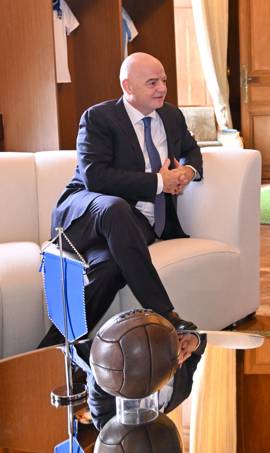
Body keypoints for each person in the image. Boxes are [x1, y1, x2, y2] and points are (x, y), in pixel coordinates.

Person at [38, 52, 202, 347]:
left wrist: (187, 172)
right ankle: (166, 314)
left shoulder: (171, 115)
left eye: (163, 80)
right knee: (115, 206)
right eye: (152, 83)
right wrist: (158, 183)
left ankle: (54, 348)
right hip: (85, 210)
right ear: (128, 87)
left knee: (113, 265)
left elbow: (192, 150)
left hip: (132, 222)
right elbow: (95, 178)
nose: (162, 88)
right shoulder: (99, 117)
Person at [69, 331, 207, 430]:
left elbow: (98, 369)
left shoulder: (107, 419)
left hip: (110, 328)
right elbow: (198, 350)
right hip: (163, 313)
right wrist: (194, 340)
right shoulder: (181, 393)